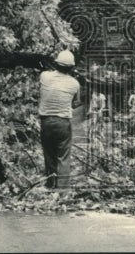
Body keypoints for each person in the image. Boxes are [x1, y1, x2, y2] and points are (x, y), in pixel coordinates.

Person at [38, 50, 81, 189]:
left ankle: (50, 186)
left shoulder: (44, 76)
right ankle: (63, 191)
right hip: (63, 123)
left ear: (56, 64)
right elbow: (75, 103)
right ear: (71, 67)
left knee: (49, 156)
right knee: (63, 157)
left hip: (46, 122)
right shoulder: (75, 84)